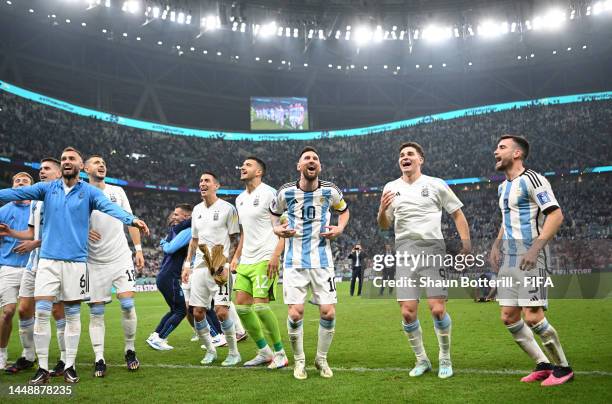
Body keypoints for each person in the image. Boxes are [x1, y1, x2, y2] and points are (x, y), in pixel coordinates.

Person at [0, 147, 149, 385]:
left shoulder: (89, 192)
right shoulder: (47, 189)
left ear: (80, 166)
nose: (67, 161)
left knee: (72, 314)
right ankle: (43, 368)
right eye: (64, 159)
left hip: (77, 262)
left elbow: (108, 207)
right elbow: (15, 194)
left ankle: (69, 366)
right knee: (41, 312)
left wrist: (131, 219)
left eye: (71, 159)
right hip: (47, 260)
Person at [377, 142, 471, 379]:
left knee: (437, 309)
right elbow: (384, 225)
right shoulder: (390, 187)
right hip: (405, 251)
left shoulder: (435, 184)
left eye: (410, 154)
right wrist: (381, 210)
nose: (405, 157)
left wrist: (466, 244)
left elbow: (457, 214)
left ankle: (445, 357)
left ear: (421, 160)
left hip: (432, 250)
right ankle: (422, 360)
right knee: (408, 312)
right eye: (401, 155)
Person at [490, 135, 573, 386]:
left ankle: (564, 368)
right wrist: (495, 245)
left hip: (530, 256)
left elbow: (556, 215)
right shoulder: (503, 186)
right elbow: (507, 219)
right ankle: (543, 364)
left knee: (533, 316)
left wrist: (535, 248)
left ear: (517, 154)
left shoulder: (533, 179)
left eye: (501, 147)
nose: (495, 151)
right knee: (509, 316)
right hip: (510, 258)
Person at [269, 146, 350, 380]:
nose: (311, 161)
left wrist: (340, 227)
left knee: (328, 312)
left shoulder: (330, 191)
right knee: (295, 314)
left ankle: (321, 359)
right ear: (299, 166)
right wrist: (277, 229)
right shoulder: (285, 192)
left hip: (323, 261)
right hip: (294, 261)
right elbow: (274, 213)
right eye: (307, 158)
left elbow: (343, 211)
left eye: (315, 158)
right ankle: (300, 361)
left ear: (319, 167)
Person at [3, 159, 66, 377]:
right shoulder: (36, 202)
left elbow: (61, 233)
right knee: (22, 309)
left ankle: (64, 359)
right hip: (33, 263)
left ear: (58, 174)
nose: (42, 171)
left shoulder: (61, 199)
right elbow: (32, 233)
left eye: (47, 169)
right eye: (40, 169)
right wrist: (11, 232)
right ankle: (29, 356)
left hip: (53, 262)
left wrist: (35, 243)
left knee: (57, 311)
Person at [84, 155, 145, 377]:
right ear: (85, 168)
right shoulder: (80, 192)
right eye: (96, 162)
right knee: (97, 311)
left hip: (120, 257)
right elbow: (67, 221)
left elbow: (130, 219)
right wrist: (82, 231)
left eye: (103, 162)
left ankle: (130, 350)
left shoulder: (117, 192)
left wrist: (138, 250)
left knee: (128, 304)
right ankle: (99, 358)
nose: (101, 165)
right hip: (94, 261)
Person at [231, 157, 288, 369]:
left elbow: (285, 225)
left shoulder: (270, 194)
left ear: (259, 172)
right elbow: (245, 231)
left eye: (247, 165)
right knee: (243, 309)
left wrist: (276, 255)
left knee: (261, 307)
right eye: (242, 164)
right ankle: (264, 351)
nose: (242, 167)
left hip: (266, 256)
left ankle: (280, 353)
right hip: (246, 259)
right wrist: (236, 256)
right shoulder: (239, 199)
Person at [181, 172, 241, 366]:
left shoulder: (227, 208)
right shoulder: (197, 210)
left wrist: (230, 262)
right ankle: (210, 350)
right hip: (200, 265)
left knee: (222, 311)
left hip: (218, 263)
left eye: (207, 181)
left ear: (217, 185)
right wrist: (187, 263)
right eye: (200, 181)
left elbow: (235, 237)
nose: (202, 184)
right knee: (197, 311)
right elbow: (194, 239)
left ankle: (234, 352)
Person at [0, 172, 33, 370]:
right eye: (17, 180)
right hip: (8, 267)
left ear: (32, 186)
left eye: (25, 181)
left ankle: (28, 353)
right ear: (12, 186)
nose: (21, 183)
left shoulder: (37, 209)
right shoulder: (3, 210)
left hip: (32, 267)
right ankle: (2, 352)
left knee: (27, 312)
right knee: (7, 312)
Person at [147, 204, 192, 350]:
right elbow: (171, 248)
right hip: (169, 276)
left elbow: (168, 246)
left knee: (175, 309)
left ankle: (155, 335)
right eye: (174, 214)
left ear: (186, 217)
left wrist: (164, 243)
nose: (173, 217)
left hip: (165, 275)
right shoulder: (186, 231)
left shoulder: (173, 231)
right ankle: (160, 338)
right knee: (181, 311)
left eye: (176, 214)